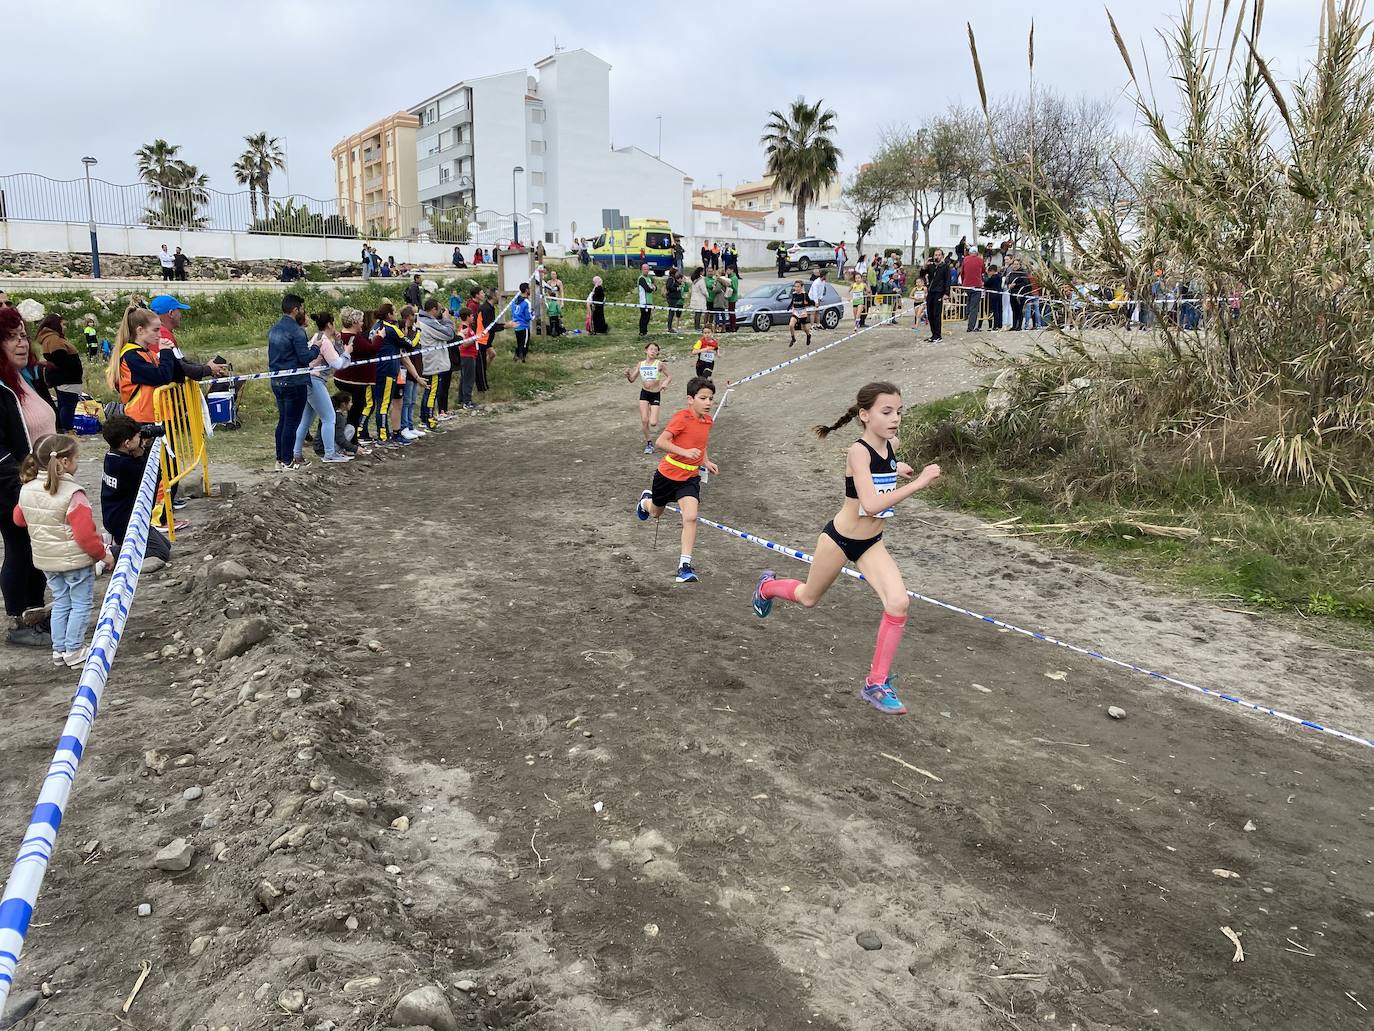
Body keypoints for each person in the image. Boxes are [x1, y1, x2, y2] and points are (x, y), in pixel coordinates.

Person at [752, 382, 942, 716]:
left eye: (899, 411)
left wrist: (896, 467)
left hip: (871, 544)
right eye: (886, 412)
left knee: (899, 603)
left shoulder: (890, 445)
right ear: (865, 415)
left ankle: (876, 683)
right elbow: (869, 504)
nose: (895, 418)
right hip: (840, 540)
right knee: (808, 598)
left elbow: (880, 468)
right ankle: (767, 587)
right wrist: (919, 482)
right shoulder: (857, 450)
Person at [14, 433, 113, 668]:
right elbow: (85, 535)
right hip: (75, 562)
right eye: (77, 458)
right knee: (80, 604)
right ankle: (75, 649)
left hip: (46, 560)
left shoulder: (27, 488)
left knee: (61, 602)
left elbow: (19, 519)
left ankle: (59, 649)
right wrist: (103, 555)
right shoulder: (73, 493)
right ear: (66, 462)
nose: (78, 463)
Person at [0, 306, 56, 648]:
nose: (20, 343)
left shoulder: (23, 378)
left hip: (39, 483)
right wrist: (26, 480)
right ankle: (18, 620)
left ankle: (36, 613)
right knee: (19, 549)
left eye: (22, 336)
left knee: (37, 549)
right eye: (9, 337)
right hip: (13, 488)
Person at [633, 376, 718, 584]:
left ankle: (684, 566)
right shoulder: (682, 418)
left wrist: (705, 461)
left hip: (690, 478)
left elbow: (701, 443)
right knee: (655, 513)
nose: (708, 403)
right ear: (691, 399)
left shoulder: (708, 421)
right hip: (667, 475)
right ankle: (645, 502)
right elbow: (662, 441)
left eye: (711, 399)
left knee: (690, 517)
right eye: (703, 398)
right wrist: (685, 452)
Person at [100, 414, 173, 571]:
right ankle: (111, 552)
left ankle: (115, 541)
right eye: (138, 436)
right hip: (126, 522)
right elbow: (152, 477)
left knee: (165, 544)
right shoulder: (125, 465)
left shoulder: (112, 457)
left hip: (117, 517)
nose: (142, 438)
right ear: (127, 443)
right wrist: (144, 453)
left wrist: (140, 446)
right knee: (160, 551)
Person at [293, 312, 354, 465]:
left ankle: (296, 454)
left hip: (308, 380)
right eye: (334, 323)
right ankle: (329, 453)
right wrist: (347, 352)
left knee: (305, 421)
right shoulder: (325, 341)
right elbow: (339, 364)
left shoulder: (317, 337)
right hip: (316, 381)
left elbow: (334, 357)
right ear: (329, 325)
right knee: (329, 417)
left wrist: (339, 343)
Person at [266, 294, 317, 469]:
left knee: (283, 420)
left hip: (276, 380)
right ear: (295, 309)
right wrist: (316, 348)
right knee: (291, 422)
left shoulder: (274, 329)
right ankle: (288, 461)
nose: (303, 311)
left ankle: (280, 459)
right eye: (302, 308)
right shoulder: (297, 331)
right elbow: (304, 358)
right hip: (294, 382)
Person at [334, 308, 378, 442]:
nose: (362, 324)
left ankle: (349, 441)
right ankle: (351, 442)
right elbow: (372, 349)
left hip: (343, 378)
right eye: (360, 321)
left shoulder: (342, 335)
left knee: (349, 412)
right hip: (354, 381)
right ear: (354, 322)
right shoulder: (355, 338)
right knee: (355, 412)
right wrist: (379, 338)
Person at [36, 315, 82, 433]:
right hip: (67, 379)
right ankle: (67, 429)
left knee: (64, 404)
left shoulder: (51, 338)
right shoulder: (53, 339)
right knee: (68, 405)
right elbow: (60, 359)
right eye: (62, 324)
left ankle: (62, 428)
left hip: (64, 379)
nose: (64, 327)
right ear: (56, 325)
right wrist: (72, 369)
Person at [625, 341, 672, 454]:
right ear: (646, 350)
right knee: (644, 420)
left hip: (655, 394)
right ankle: (649, 443)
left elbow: (669, 376)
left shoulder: (659, 364)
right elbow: (632, 380)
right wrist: (627, 375)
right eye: (651, 349)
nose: (653, 351)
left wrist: (665, 383)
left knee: (653, 423)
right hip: (644, 393)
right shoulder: (640, 364)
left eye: (656, 350)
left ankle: (651, 410)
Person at [418, 297, 456, 424]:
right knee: (432, 391)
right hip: (434, 362)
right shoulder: (429, 323)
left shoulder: (422, 319)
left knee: (429, 391)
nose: (441, 312)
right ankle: (428, 419)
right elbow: (449, 334)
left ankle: (425, 418)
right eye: (440, 310)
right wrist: (446, 319)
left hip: (429, 360)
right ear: (433, 310)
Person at [396, 305, 427, 443]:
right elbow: (411, 345)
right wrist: (419, 331)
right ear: (409, 316)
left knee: (413, 400)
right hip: (406, 371)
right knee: (406, 400)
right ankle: (404, 427)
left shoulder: (414, 329)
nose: (416, 317)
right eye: (414, 314)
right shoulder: (404, 331)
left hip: (416, 367)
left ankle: (410, 424)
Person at [922, 249, 950, 342]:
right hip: (930, 292)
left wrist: (946, 293)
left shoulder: (945, 267)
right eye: (935, 255)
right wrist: (924, 266)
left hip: (939, 292)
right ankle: (933, 334)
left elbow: (947, 280)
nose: (936, 256)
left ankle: (938, 335)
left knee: (936, 314)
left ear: (942, 256)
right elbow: (922, 275)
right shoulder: (931, 266)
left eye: (938, 255)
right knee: (930, 314)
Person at [961, 248, 986, 333]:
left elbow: (962, 272)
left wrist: (963, 282)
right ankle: (970, 326)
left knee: (969, 300)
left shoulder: (965, 259)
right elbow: (983, 270)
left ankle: (966, 312)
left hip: (966, 284)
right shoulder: (980, 260)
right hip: (976, 285)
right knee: (974, 307)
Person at [510, 283, 533, 362]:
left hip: (516, 325)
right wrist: (533, 316)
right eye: (529, 289)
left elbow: (512, 312)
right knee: (525, 343)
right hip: (524, 326)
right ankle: (522, 357)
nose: (530, 290)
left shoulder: (515, 300)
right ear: (526, 290)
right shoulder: (527, 302)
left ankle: (517, 356)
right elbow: (528, 317)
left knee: (519, 342)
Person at [788, 280, 812, 347]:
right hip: (795, 311)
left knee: (803, 327)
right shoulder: (794, 294)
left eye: (798, 287)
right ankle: (793, 339)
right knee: (791, 325)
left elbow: (810, 303)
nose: (796, 288)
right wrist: (789, 307)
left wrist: (806, 304)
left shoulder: (804, 294)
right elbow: (792, 301)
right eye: (795, 286)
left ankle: (808, 335)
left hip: (802, 312)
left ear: (801, 287)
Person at [983, 264, 1004, 330]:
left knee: (995, 311)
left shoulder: (993, 277)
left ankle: (995, 326)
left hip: (993, 295)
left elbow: (987, 284)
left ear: (992, 271)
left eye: (989, 272)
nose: (989, 273)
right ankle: (999, 325)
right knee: (999, 310)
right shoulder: (1000, 276)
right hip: (999, 294)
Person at [544, 270, 564, 338]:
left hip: (557, 299)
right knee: (552, 315)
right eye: (552, 274)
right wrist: (547, 298)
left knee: (558, 314)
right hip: (550, 300)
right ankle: (552, 329)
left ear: (556, 275)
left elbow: (561, 292)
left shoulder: (559, 282)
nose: (553, 275)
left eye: (554, 274)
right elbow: (546, 292)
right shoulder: (548, 282)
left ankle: (559, 328)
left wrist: (562, 301)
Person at [637, 263, 655, 336]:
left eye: (647, 269)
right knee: (644, 317)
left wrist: (653, 288)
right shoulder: (641, 278)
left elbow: (654, 287)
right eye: (645, 269)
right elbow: (647, 289)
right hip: (643, 301)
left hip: (649, 300)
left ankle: (645, 331)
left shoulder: (649, 278)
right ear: (642, 270)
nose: (646, 271)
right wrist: (652, 288)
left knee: (647, 317)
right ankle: (642, 332)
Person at [665, 269, 683, 333]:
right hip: (671, 298)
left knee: (672, 313)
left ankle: (670, 327)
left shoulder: (673, 279)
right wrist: (676, 288)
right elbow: (668, 287)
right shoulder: (671, 279)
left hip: (674, 298)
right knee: (671, 313)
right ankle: (669, 328)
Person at [726, 267, 740, 333]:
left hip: (732, 298)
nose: (727, 271)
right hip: (729, 297)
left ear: (732, 270)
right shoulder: (730, 277)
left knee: (732, 312)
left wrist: (729, 285)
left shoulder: (734, 278)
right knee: (730, 312)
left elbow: (735, 289)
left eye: (728, 270)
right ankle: (730, 326)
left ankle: (733, 327)